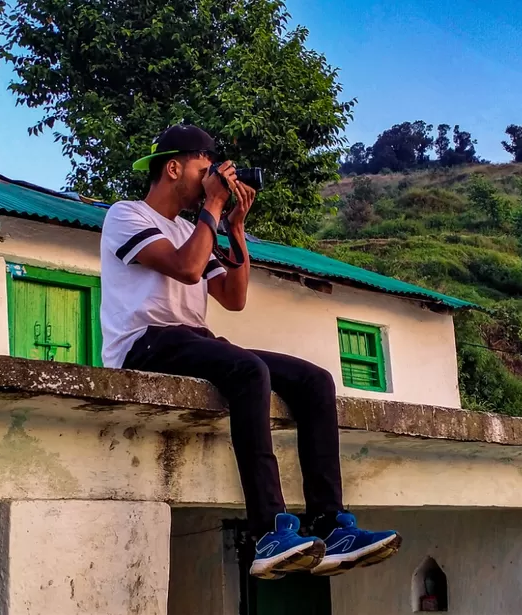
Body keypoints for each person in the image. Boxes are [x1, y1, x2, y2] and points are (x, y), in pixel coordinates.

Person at [99, 124, 401, 580]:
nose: (211, 180)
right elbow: (185, 268)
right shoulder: (127, 215)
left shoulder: (191, 227)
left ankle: (330, 523)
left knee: (314, 381)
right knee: (248, 370)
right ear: (175, 167)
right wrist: (214, 206)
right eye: (206, 169)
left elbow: (233, 297)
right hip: (143, 342)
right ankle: (268, 532)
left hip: (191, 340)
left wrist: (234, 227)